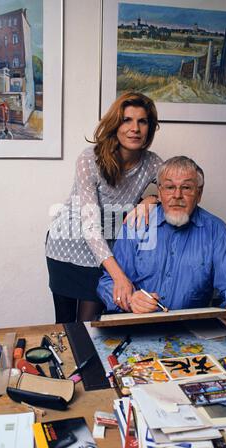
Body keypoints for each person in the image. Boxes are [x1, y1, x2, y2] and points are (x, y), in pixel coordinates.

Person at [46, 92, 163, 322]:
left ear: (150, 128)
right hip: (65, 248)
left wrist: (151, 200)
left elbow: (177, 185)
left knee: (92, 327)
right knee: (66, 327)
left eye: (142, 121)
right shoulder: (89, 159)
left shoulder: (152, 163)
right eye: (127, 120)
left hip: (102, 255)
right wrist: (119, 277)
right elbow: (90, 226)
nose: (135, 128)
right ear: (115, 125)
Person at [97, 156, 226, 332]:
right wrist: (130, 300)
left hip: (192, 332)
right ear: (159, 193)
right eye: (170, 187)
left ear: (199, 194)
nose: (177, 195)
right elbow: (107, 282)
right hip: (136, 327)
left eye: (186, 188)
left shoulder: (217, 231)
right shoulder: (137, 224)